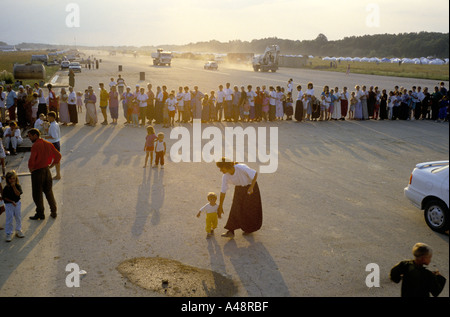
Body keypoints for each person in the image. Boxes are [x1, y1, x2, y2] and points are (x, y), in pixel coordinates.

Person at [216, 158, 262, 238]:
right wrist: (220, 206)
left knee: (250, 209)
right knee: (235, 208)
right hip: (239, 189)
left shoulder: (241, 168)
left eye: (221, 168)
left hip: (251, 188)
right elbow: (223, 191)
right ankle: (230, 231)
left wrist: (251, 187)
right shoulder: (225, 176)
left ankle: (249, 229)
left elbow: (255, 174)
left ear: (227, 166)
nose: (220, 170)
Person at [27, 128, 61, 220]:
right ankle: (53, 211)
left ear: (35, 135)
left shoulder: (35, 146)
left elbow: (32, 160)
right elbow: (58, 155)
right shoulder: (48, 144)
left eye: (30, 136)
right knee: (49, 192)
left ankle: (40, 213)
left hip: (37, 172)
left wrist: (31, 169)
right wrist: (51, 165)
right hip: (46, 170)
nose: (29, 138)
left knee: (37, 194)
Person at [3, 170, 24, 242]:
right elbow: (4, 197)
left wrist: (14, 187)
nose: (12, 180)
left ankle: (18, 230)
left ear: (16, 179)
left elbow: (18, 194)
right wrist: (11, 202)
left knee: (18, 216)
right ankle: (8, 233)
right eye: (10, 178)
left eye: (13, 178)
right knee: (9, 218)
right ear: (7, 179)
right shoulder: (6, 188)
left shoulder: (18, 186)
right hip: (9, 205)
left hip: (17, 203)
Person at [44, 111, 61, 180]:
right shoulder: (54, 124)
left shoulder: (53, 125)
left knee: (56, 160)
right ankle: (57, 174)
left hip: (54, 143)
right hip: (56, 142)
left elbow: (54, 136)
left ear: (51, 117)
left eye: (48, 117)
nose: (47, 118)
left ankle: (58, 175)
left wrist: (45, 137)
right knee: (56, 159)